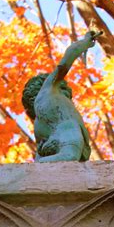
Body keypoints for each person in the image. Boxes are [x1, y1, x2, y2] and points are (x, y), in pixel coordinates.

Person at [22, 30, 99, 162]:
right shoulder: (50, 88)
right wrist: (85, 43)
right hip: (70, 135)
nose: (68, 95)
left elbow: (40, 151)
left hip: (61, 141)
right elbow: (67, 59)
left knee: (46, 163)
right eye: (64, 88)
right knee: (69, 157)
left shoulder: (38, 122)